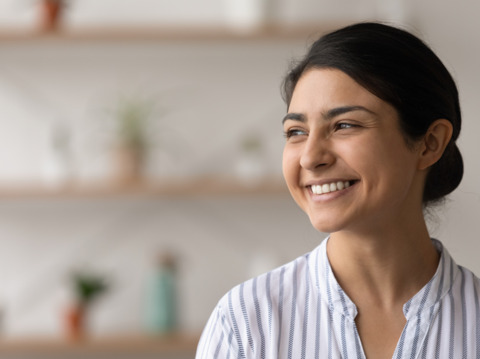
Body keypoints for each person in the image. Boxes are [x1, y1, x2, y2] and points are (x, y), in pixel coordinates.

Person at [195, 22, 480, 359]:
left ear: (430, 144)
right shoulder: (245, 325)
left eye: (345, 125)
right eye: (296, 132)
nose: (311, 157)